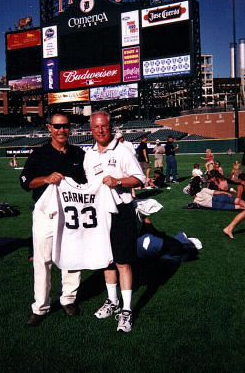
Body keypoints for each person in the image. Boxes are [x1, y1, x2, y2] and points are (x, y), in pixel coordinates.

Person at [20, 111, 86, 327]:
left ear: (70, 128)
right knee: (43, 261)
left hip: (71, 215)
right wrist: (46, 179)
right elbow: (25, 182)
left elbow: (87, 183)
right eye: (57, 126)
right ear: (49, 128)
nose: (61, 130)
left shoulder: (78, 153)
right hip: (45, 214)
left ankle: (68, 298)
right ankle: (40, 306)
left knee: (72, 258)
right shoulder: (39, 154)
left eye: (65, 126)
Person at [83, 110, 145, 333]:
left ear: (111, 127)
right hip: (99, 214)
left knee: (123, 262)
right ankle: (112, 301)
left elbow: (140, 178)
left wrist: (118, 181)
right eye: (96, 127)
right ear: (91, 129)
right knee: (106, 260)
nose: (100, 130)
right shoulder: (88, 154)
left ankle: (127, 310)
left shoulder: (123, 150)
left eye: (104, 126)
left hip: (121, 211)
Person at [115, 133, 137, 198]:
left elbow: (134, 154)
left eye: (118, 139)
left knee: (131, 179)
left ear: (122, 138)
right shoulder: (117, 145)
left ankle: (133, 195)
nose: (117, 140)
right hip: (120, 165)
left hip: (129, 164)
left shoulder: (128, 144)